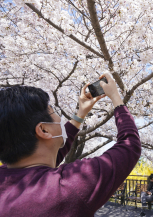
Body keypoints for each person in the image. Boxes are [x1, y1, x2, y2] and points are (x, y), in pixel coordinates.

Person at [0, 72, 141, 217]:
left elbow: (52, 151)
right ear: (43, 129)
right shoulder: (69, 186)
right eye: (54, 111)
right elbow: (130, 146)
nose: (59, 118)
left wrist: (80, 114)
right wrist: (116, 98)